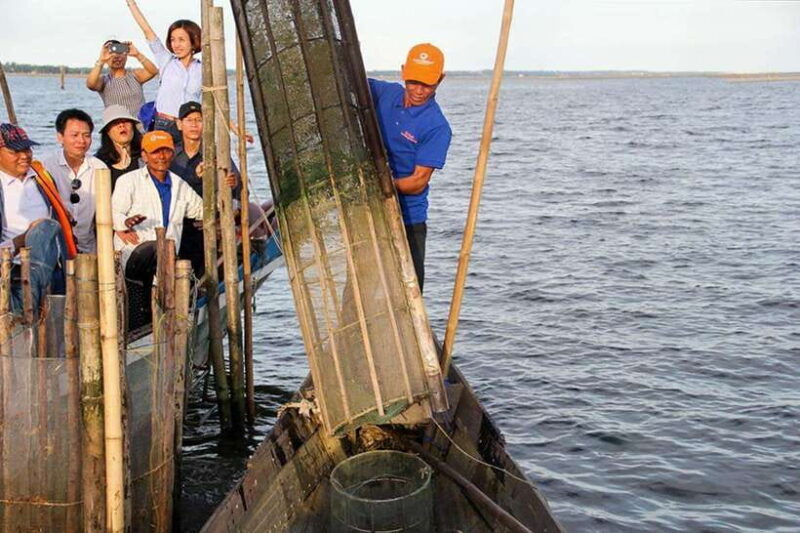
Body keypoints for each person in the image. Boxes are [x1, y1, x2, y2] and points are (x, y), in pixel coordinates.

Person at [368, 43, 452, 293]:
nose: (418, 90)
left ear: (440, 79)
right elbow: (347, 81)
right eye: (413, 81)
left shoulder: (437, 126)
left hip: (408, 220)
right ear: (403, 71)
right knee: (362, 289)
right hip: (371, 216)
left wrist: (378, 186)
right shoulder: (385, 93)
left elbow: (417, 182)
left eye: (427, 84)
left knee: (408, 293)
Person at [112, 130, 203, 323]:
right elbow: (113, 213)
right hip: (133, 257)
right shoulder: (129, 181)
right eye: (155, 152)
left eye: (166, 151)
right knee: (158, 250)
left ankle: (169, 315)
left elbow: (202, 210)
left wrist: (225, 189)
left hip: (166, 265)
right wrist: (125, 223)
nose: (161, 157)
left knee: (168, 256)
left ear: (172, 153)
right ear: (144, 155)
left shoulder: (180, 185)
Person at [0, 123, 72, 314]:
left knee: (55, 331)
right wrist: (26, 237)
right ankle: (29, 299)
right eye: (15, 151)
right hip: (13, 269)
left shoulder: (40, 176)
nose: (24, 155)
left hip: (54, 267)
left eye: (27, 148)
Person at [169, 100, 239, 274]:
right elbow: (171, 188)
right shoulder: (171, 155)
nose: (194, 125)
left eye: (199, 120)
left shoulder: (217, 153)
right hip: (180, 222)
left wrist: (231, 184)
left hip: (210, 223)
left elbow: (237, 191)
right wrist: (195, 177)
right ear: (179, 124)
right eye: (189, 120)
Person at [125, 0, 202, 143]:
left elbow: (215, 101)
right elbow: (147, 31)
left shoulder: (202, 69)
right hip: (164, 125)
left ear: (194, 41)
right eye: (173, 40)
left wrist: (235, 129)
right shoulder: (166, 60)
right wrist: (131, 4)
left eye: (181, 40)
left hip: (190, 127)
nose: (176, 45)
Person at [40, 109, 108, 254]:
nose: (81, 141)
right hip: (56, 246)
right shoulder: (46, 166)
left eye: (86, 135)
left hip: (89, 247)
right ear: (60, 137)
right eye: (75, 135)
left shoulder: (99, 168)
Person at [86, 39, 158, 118]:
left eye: (119, 53)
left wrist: (137, 54)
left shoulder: (135, 75)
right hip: (117, 126)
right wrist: (101, 60)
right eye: (111, 54)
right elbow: (91, 85)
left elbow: (153, 71)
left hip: (141, 126)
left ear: (126, 56)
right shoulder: (104, 81)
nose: (116, 57)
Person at [95, 104, 143, 189]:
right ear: (107, 131)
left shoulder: (145, 157)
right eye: (115, 123)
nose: (122, 125)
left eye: (126, 121)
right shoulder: (98, 163)